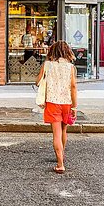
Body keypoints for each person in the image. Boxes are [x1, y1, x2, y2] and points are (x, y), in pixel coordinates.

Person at [35, 40, 77, 174]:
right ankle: (61, 156)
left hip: (53, 102)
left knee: (56, 134)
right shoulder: (70, 67)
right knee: (64, 131)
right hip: (67, 102)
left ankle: (60, 164)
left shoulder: (47, 65)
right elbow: (73, 87)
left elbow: (37, 82)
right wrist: (74, 107)